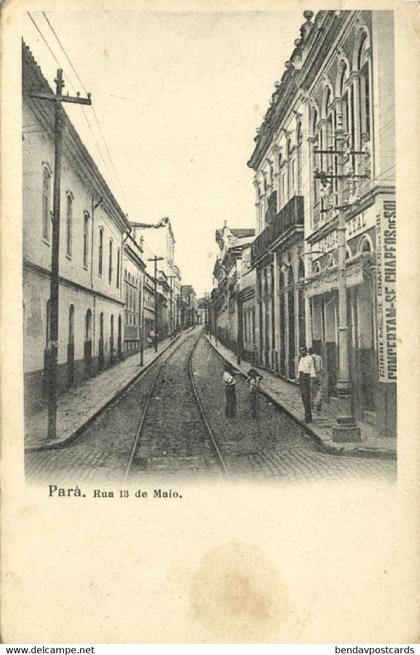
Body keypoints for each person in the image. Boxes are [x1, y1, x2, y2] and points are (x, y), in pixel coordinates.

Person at [298, 346, 316, 423]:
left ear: (306, 351)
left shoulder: (310, 358)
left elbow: (312, 369)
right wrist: (298, 377)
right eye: (300, 351)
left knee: (306, 398)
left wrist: (311, 380)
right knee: (303, 397)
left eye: (302, 350)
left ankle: (308, 418)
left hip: (307, 378)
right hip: (302, 378)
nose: (301, 352)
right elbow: (299, 368)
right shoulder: (301, 358)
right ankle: (307, 416)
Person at [309, 346, 323, 412]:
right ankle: (317, 402)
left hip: (311, 375)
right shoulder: (319, 357)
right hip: (318, 374)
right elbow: (321, 367)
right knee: (319, 389)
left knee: (311, 390)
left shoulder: (309, 358)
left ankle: (311, 403)